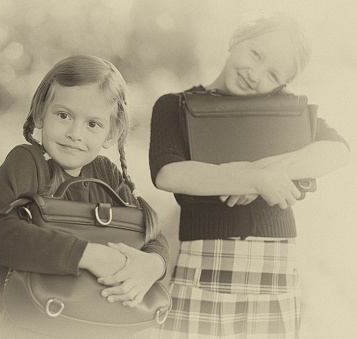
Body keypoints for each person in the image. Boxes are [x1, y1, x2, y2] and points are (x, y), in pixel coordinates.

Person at [149, 13, 351, 338]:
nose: (255, 75)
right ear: (237, 39)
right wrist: (253, 179)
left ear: (282, 84)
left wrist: (270, 171)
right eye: (256, 54)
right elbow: (169, 174)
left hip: (274, 272)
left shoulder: (287, 113)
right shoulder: (174, 106)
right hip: (203, 269)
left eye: (273, 74)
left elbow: (337, 151)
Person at [0, 55, 169, 338]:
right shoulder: (27, 162)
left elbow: (151, 233)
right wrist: (86, 255)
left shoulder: (106, 174)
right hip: (32, 328)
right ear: (40, 112)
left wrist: (153, 265)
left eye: (92, 124)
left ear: (112, 132)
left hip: (100, 328)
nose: (74, 134)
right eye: (64, 115)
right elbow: (0, 232)